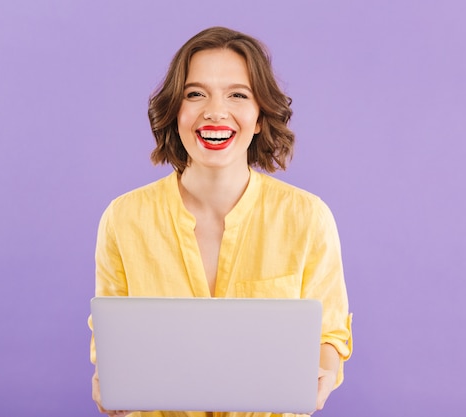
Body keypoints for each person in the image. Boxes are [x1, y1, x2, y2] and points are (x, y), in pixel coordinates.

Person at [88, 26, 352, 417]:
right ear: (175, 111)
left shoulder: (307, 218)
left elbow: (329, 334)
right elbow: (111, 342)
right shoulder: (124, 219)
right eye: (195, 94)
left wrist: (323, 376)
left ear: (260, 116)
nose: (214, 111)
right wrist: (108, 383)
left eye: (237, 95)